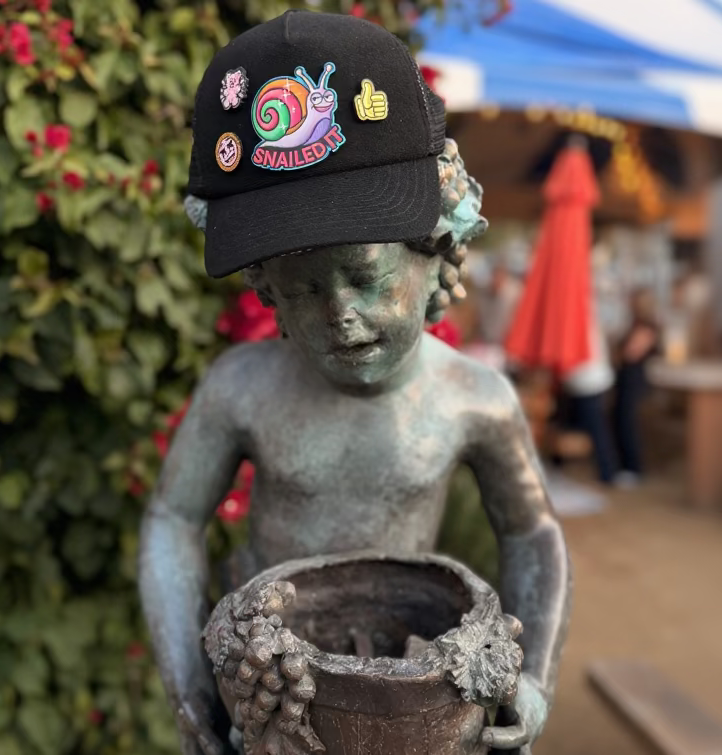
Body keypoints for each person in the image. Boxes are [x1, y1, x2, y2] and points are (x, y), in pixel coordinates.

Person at [138, 12, 571, 755]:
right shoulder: (242, 389)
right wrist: (186, 679)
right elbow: (173, 518)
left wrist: (534, 678)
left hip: (416, 700)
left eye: (367, 277)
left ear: (436, 253)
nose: (340, 314)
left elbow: (532, 530)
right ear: (267, 294)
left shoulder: (474, 400)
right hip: (273, 699)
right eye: (302, 288)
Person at [612, 288, 660, 487]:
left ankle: (633, 468)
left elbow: (631, 353)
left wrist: (617, 353)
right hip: (626, 379)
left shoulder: (646, 327)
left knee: (628, 422)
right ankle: (624, 466)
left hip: (633, 380)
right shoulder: (635, 325)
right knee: (620, 421)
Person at [560, 318, 618, 485]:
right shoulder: (585, 322)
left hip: (589, 382)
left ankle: (607, 473)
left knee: (597, 429)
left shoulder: (581, 324)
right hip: (583, 381)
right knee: (578, 426)